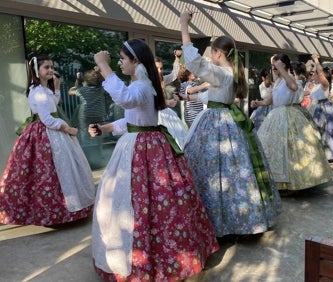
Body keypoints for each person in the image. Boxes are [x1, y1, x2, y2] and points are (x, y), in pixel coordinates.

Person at [90, 39, 219, 281]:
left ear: (136, 61)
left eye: (122, 59)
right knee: (141, 202)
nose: (119, 63)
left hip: (144, 150)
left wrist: (103, 66)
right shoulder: (142, 85)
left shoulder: (141, 86)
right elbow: (132, 121)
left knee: (144, 201)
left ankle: (155, 259)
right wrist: (105, 127)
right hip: (140, 144)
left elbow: (125, 99)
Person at [180, 10, 281, 238]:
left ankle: (218, 222)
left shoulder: (221, 72)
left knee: (213, 172)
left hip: (215, 123)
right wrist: (195, 96)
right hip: (227, 120)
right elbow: (214, 96)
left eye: (212, 52)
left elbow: (194, 62)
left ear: (217, 54)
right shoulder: (231, 73)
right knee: (234, 172)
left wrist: (183, 25)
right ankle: (238, 217)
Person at [0, 54, 95, 226]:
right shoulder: (37, 91)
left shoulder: (44, 89)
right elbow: (47, 119)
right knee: (48, 171)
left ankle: (68, 209)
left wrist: (57, 88)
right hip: (46, 133)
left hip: (54, 131)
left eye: (52, 66)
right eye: (46, 67)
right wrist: (68, 129)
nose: (51, 70)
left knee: (63, 169)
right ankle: (54, 211)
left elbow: (53, 104)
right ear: (36, 70)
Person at [256, 53, 333, 192]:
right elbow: (270, 100)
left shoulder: (290, 78)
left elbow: (293, 87)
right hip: (275, 115)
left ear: (284, 65)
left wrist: (282, 70)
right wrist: (259, 103)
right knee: (275, 148)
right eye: (273, 65)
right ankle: (276, 181)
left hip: (289, 115)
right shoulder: (278, 82)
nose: (274, 67)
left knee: (291, 148)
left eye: (277, 64)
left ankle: (293, 183)